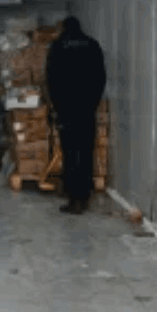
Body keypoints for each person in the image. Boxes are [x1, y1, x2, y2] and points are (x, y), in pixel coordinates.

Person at [47, 16, 107, 214]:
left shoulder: (58, 46)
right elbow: (100, 77)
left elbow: (51, 79)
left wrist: (56, 107)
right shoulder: (92, 45)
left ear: (65, 28)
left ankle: (73, 198)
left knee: (70, 152)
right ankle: (85, 196)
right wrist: (93, 103)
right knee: (86, 151)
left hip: (66, 109)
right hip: (86, 108)